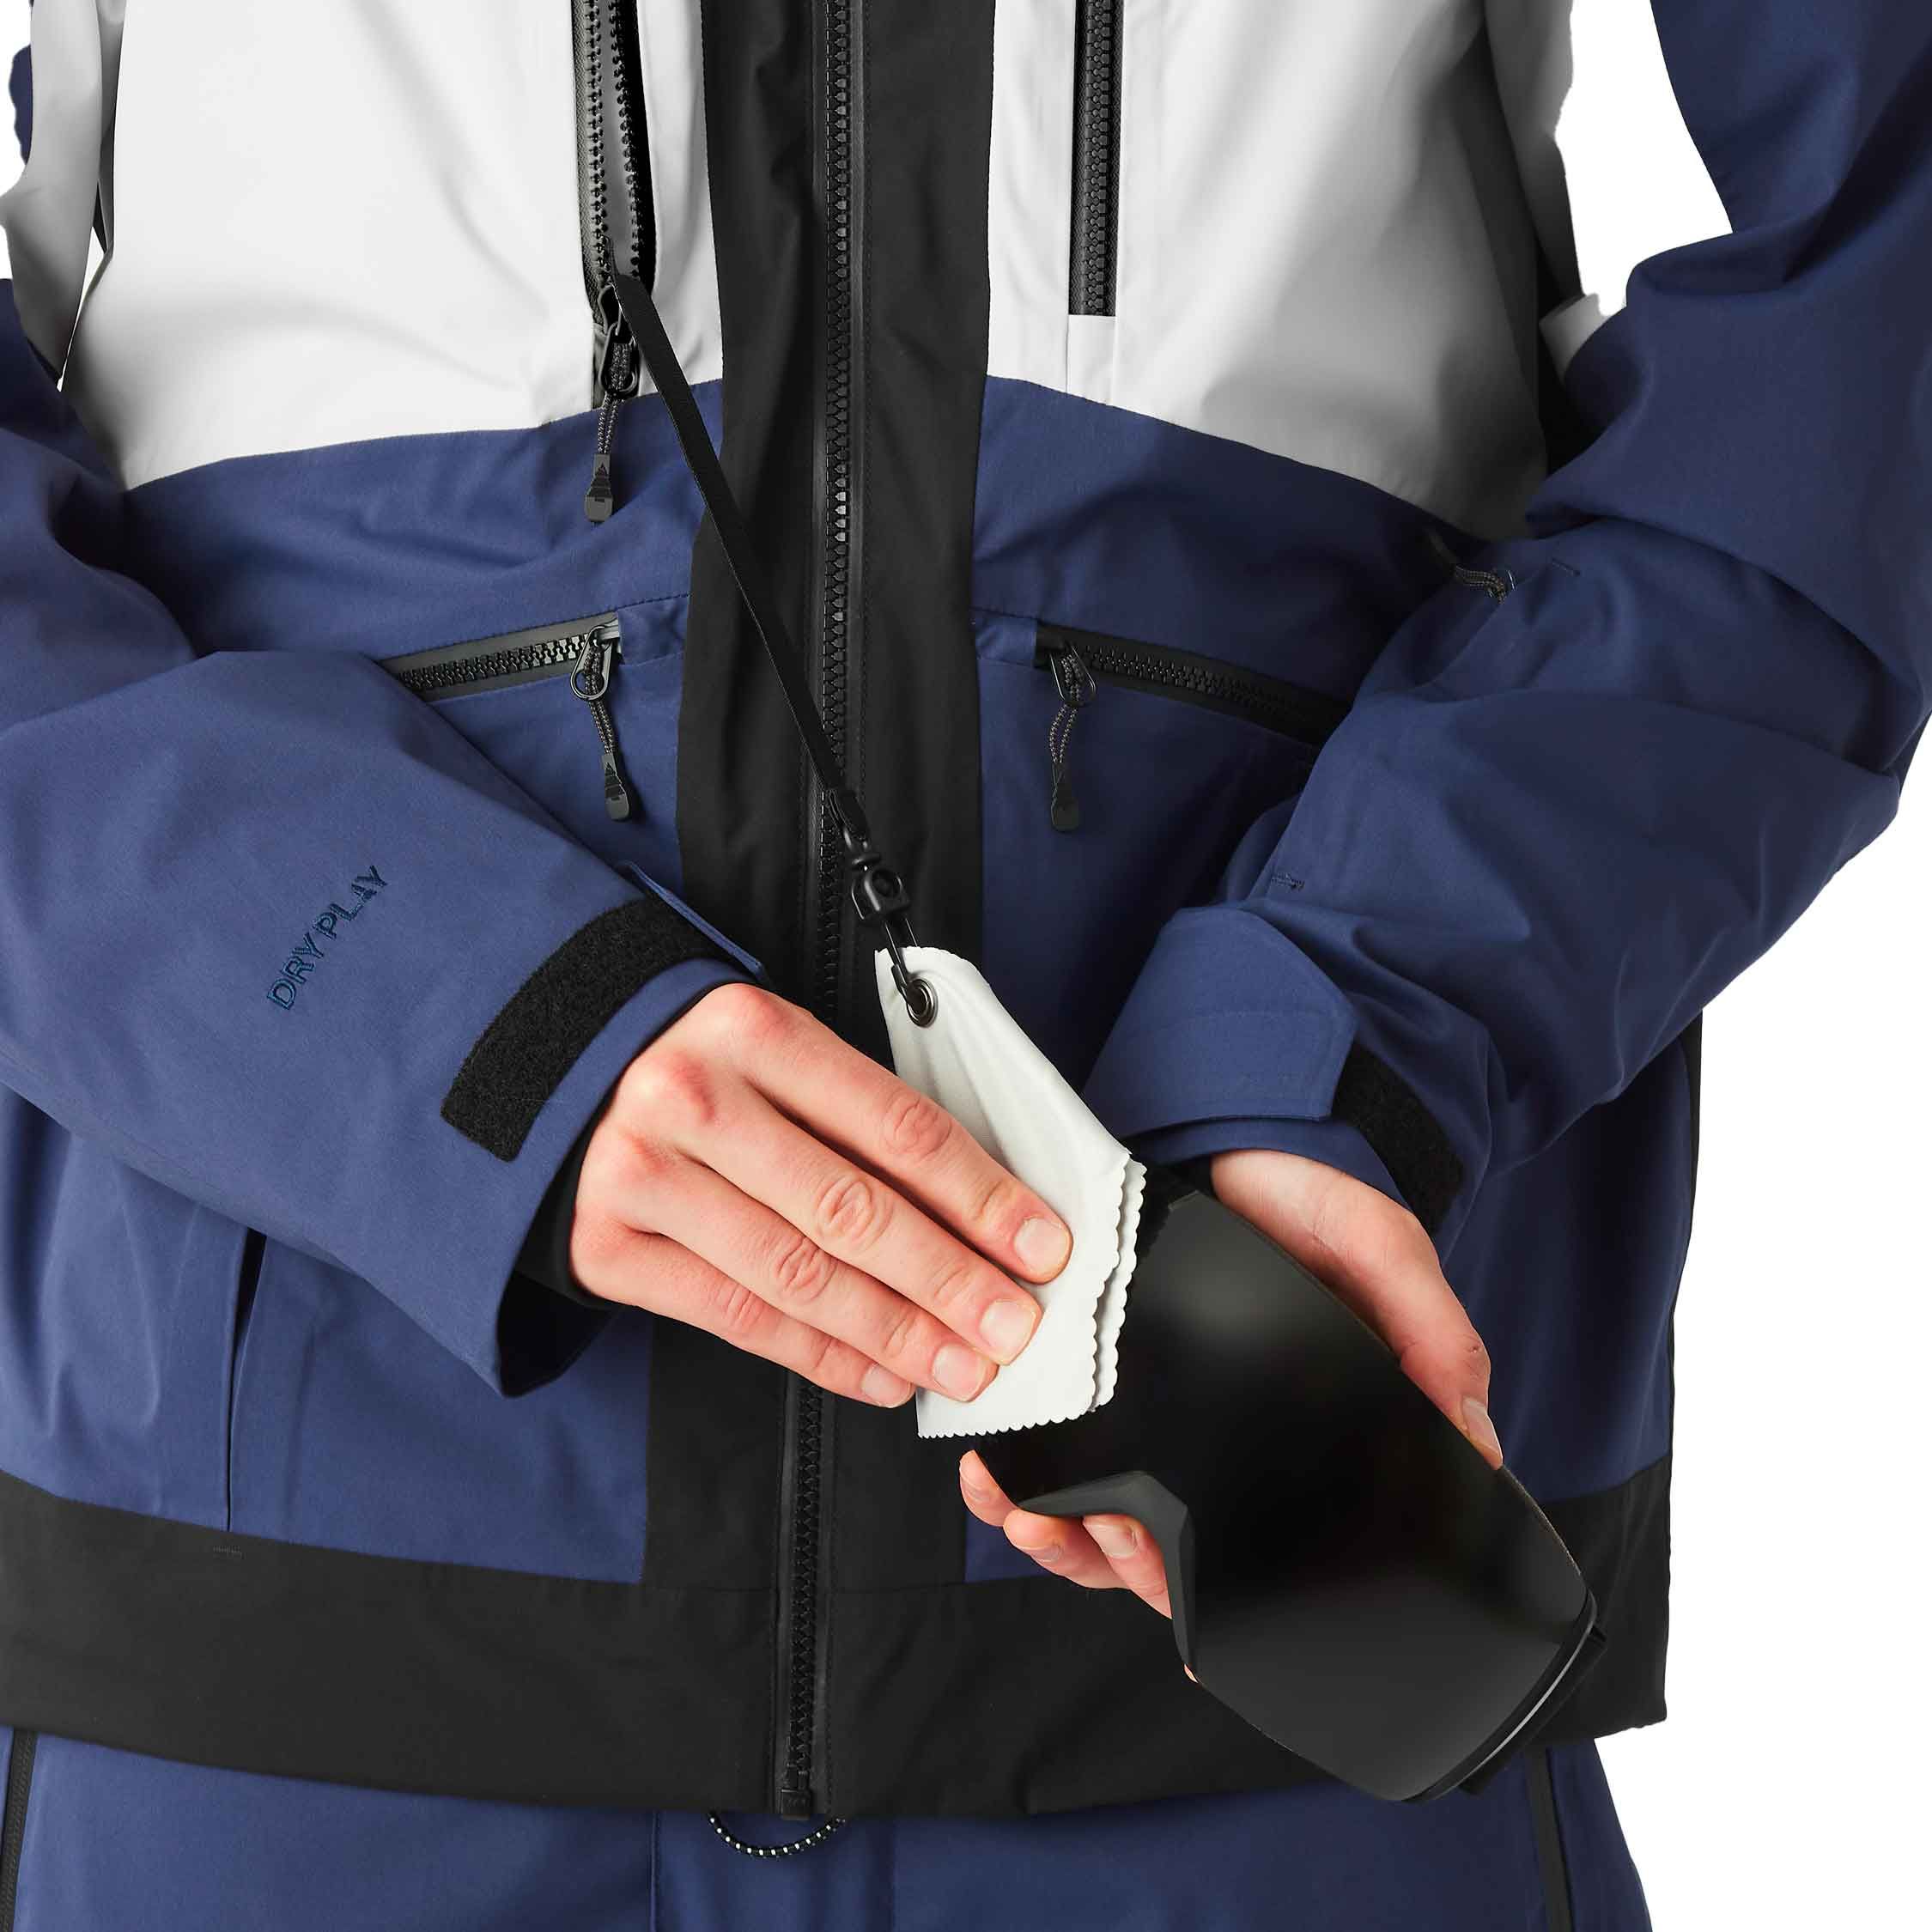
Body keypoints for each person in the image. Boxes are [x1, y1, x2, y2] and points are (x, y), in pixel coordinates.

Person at [0, 3, 1923, 1927]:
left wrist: (1357, 1011)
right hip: (291, 1664)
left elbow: (1888, 267)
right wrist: (429, 1010)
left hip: (1257, 1597)